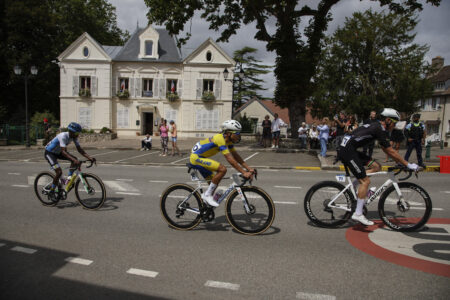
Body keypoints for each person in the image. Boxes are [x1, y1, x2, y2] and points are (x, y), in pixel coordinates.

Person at [337, 108, 419, 226]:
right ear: (388, 120)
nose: (394, 126)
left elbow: (386, 149)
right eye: (394, 123)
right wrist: (408, 164)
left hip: (349, 148)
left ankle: (355, 184)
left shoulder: (378, 128)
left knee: (376, 166)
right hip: (347, 151)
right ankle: (358, 214)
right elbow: (390, 151)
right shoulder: (378, 129)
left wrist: (400, 162)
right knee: (365, 181)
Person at [190, 120, 255, 207]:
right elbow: (229, 159)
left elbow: (235, 156)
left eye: (239, 133)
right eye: (237, 133)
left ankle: (205, 209)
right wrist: (244, 172)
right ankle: (207, 196)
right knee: (222, 169)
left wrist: (249, 169)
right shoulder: (220, 139)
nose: (239, 136)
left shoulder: (228, 141)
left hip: (201, 157)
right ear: (228, 133)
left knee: (214, 181)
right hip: (196, 158)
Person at [44, 122, 96, 200]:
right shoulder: (63, 136)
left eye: (79, 133)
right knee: (59, 172)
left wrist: (89, 158)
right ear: (71, 131)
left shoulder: (74, 137)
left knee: (75, 159)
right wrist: (74, 160)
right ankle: (51, 191)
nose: (78, 134)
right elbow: (64, 152)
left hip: (58, 152)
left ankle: (68, 178)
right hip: (50, 153)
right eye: (77, 132)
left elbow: (79, 149)